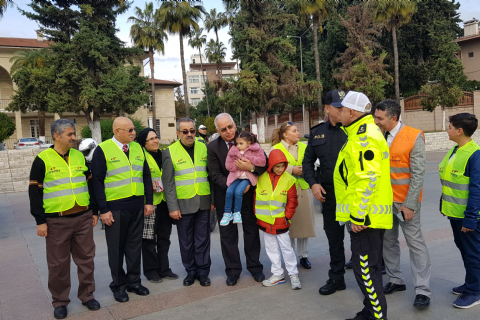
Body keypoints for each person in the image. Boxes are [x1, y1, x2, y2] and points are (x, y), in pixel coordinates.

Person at [29, 119, 100, 319]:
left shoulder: (79, 157)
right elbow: (34, 192)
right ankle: (60, 301)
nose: (73, 137)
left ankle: (87, 295)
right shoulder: (43, 159)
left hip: (83, 218)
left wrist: (94, 211)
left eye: (73, 133)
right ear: (56, 136)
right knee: (58, 264)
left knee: (87, 259)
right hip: (56, 221)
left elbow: (90, 185)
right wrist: (40, 221)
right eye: (69, 134)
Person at [334, 91, 393, 320]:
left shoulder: (363, 136)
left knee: (366, 271)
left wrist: (358, 216)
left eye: (341, 109)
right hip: (367, 216)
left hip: (365, 219)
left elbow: (366, 179)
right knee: (368, 268)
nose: (337, 112)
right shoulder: (360, 132)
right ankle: (370, 312)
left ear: (351, 112)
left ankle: (377, 317)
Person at [374, 99, 432, 308]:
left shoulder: (413, 136)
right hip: (383, 202)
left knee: (415, 244)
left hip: (405, 203)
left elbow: (418, 175)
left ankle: (423, 290)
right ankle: (395, 279)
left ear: (394, 118)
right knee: (388, 242)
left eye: (380, 118)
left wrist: (410, 205)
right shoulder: (376, 135)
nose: (376, 121)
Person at [92, 117, 154, 303]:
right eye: (130, 130)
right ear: (117, 131)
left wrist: (149, 201)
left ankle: (134, 281)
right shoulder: (103, 150)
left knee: (134, 246)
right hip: (115, 208)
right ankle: (118, 285)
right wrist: (103, 210)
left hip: (136, 206)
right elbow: (97, 182)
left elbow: (146, 176)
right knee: (116, 249)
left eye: (134, 129)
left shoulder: (137, 148)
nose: (134, 132)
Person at [207, 113, 266, 286]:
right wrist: (233, 187)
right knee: (228, 235)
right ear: (217, 130)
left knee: (251, 233)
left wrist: (252, 168)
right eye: (223, 129)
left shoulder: (250, 139)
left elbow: (264, 164)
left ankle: (255, 268)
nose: (228, 131)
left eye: (230, 126)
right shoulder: (212, 147)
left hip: (248, 197)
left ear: (234, 124)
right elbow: (214, 174)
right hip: (225, 198)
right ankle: (233, 271)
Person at [303, 90, 348, 295]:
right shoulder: (317, 133)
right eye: (338, 107)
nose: (342, 110)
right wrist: (313, 184)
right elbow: (307, 163)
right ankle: (337, 277)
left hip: (353, 194)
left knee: (361, 237)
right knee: (334, 238)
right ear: (327, 109)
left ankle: (369, 275)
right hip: (328, 194)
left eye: (344, 106)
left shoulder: (355, 131)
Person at [162, 118, 213, 287]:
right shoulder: (169, 152)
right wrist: (173, 207)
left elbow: (210, 175)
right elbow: (168, 183)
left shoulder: (204, 147)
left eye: (192, 131)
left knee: (203, 240)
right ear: (178, 134)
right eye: (185, 132)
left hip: (204, 201)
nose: (189, 134)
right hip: (182, 205)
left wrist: (212, 200)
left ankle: (203, 272)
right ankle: (190, 272)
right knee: (186, 241)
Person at [439, 113, 480, 309]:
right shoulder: (456, 150)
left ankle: (474, 291)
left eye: (449, 127)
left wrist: (471, 219)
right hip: (454, 213)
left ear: (459, 130)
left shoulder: (474, 154)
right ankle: (472, 283)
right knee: (465, 250)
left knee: (473, 253)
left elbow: (476, 190)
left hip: (468, 216)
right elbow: (449, 181)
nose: (447, 130)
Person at [271, 121, 316, 269]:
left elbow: (313, 163)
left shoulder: (304, 146)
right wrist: (291, 169)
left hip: (303, 188)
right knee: (288, 225)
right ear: (285, 134)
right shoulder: (275, 148)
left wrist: (306, 169)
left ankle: (304, 256)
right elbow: (272, 167)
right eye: (294, 131)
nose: (298, 133)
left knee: (304, 225)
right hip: (285, 191)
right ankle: (289, 256)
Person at [136, 128, 178, 283]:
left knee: (164, 238)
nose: (155, 141)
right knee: (148, 239)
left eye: (156, 137)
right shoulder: (140, 157)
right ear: (143, 143)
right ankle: (151, 271)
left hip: (165, 202)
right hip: (150, 204)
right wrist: (148, 185)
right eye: (151, 139)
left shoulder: (164, 154)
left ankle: (164, 268)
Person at [256, 149, 301, 289]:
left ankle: (293, 275)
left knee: (286, 248)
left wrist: (287, 217)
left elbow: (292, 201)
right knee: (271, 249)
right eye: (277, 166)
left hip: (281, 221)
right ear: (271, 165)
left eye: (283, 166)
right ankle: (278, 274)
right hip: (265, 221)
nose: (280, 169)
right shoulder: (261, 177)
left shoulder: (289, 179)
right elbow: (255, 198)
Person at [222, 131, 266, 226]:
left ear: (249, 143)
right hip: (236, 176)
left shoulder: (256, 149)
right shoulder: (233, 151)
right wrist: (239, 165)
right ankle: (227, 213)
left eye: (241, 143)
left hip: (247, 177)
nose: (238, 146)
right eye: (237, 143)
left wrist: (249, 161)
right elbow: (228, 165)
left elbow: (263, 161)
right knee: (229, 191)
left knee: (238, 192)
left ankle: (237, 212)